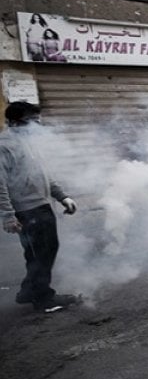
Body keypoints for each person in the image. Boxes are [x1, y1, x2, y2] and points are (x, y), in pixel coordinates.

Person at [0, 102, 79, 312]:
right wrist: (8, 216)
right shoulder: (4, 145)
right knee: (41, 253)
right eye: (32, 122)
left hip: (42, 205)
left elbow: (43, 174)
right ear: (15, 123)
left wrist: (62, 196)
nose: (37, 126)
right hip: (27, 210)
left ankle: (28, 291)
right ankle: (43, 298)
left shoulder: (29, 142)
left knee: (41, 251)